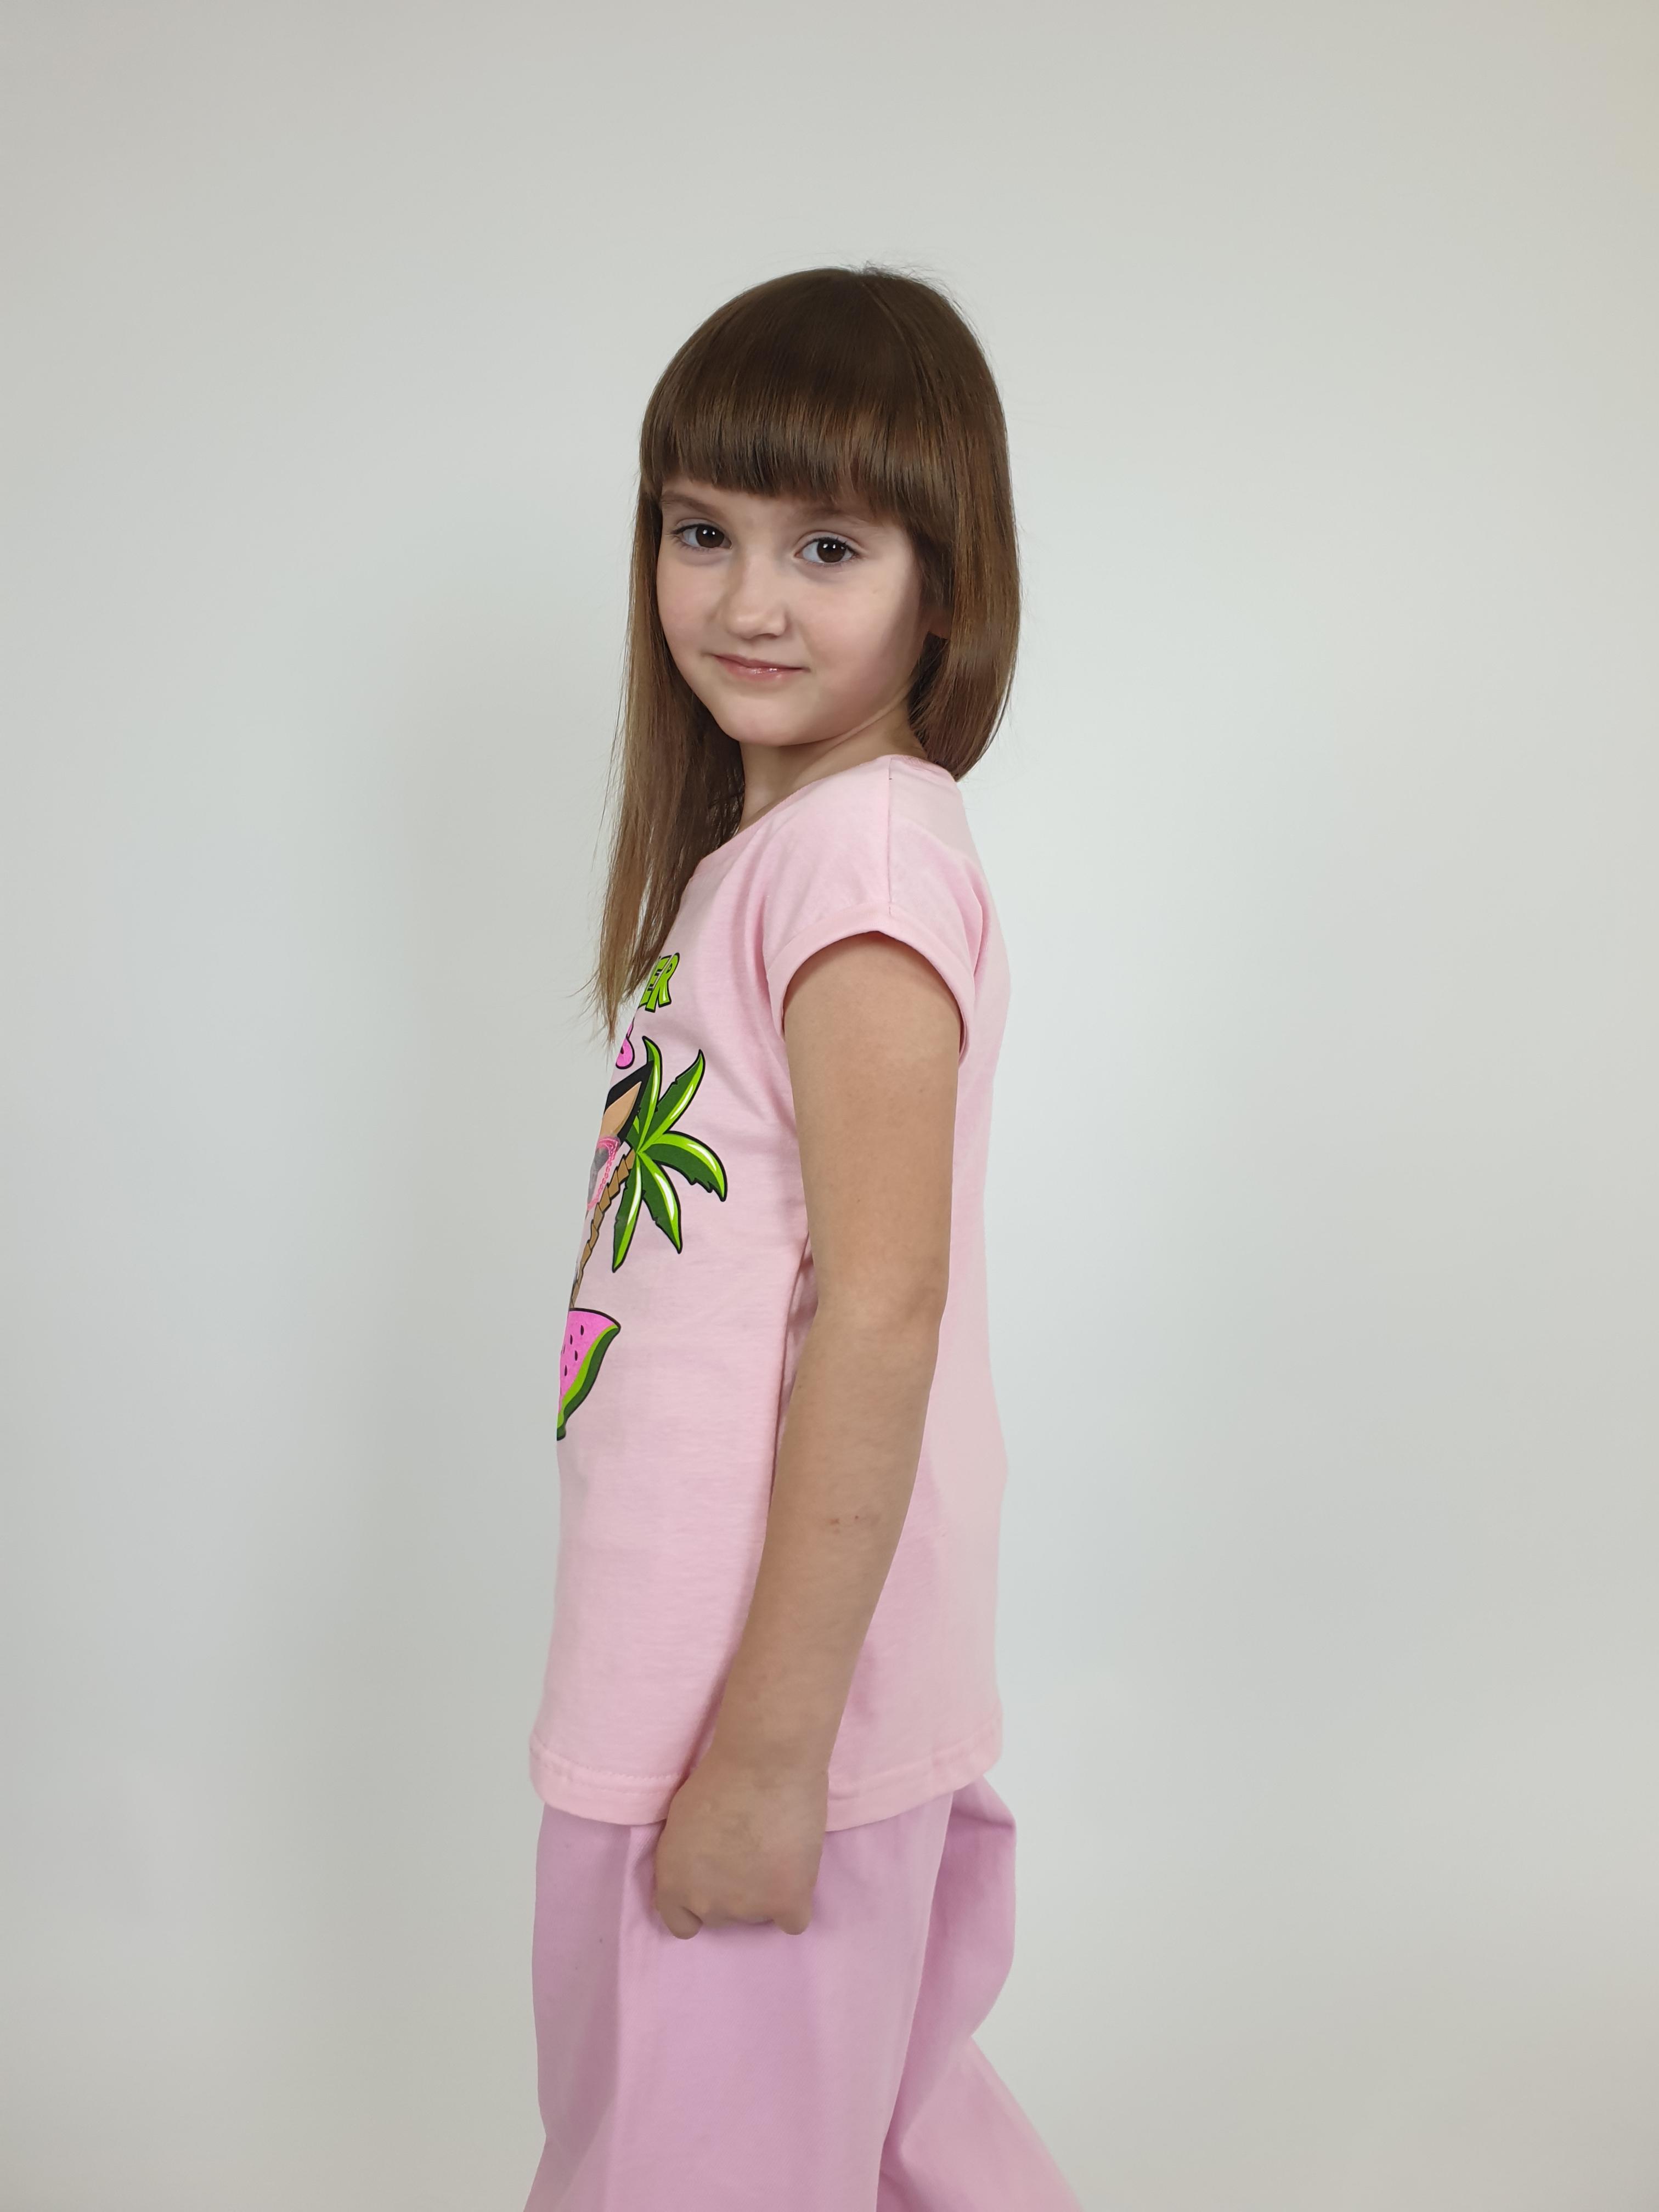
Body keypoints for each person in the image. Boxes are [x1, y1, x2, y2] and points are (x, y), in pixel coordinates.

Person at [524, 264, 1080, 2210]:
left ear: (946, 581)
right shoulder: (790, 858)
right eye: (704, 532)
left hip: (753, 1697)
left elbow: (883, 1311)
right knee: (872, 2150)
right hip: (727, 1672)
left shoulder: (857, 868)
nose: (747, 600)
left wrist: (769, 1746)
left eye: (827, 546)